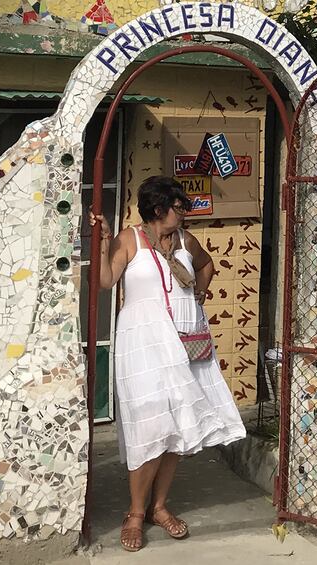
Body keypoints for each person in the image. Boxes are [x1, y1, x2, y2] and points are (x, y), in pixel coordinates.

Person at [92, 176, 245, 552]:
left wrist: (199, 297)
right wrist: (100, 241)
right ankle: (134, 512)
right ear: (160, 208)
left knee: (178, 425)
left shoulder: (184, 241)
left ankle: (159, 507)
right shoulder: (130, 239)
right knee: (150, 424)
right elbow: (105, 279)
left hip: (185, 342)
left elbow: (206, 265)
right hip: (144, 344)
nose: (184, 212)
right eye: (179, 206)